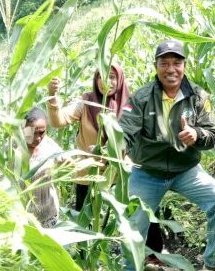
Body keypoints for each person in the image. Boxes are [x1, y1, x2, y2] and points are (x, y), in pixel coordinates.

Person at [119, 40, 215, 271]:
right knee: (132, 225)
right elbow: (125, 131)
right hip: (148, 172)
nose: (171, 69)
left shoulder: (198, 96)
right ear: (156, 66)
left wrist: (196, 134)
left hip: (186, 170)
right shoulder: (140, 98)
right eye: (165, 63)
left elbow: (212, 135)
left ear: (184, 65)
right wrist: (119, 148)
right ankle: (130, 267)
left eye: (176, 63)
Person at [47, 65, 164, 254]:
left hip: (121, 171)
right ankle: (87, 257)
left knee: (141, 208)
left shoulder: (131, 104)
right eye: (100, 77)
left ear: (120, 80)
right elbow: (58, 121)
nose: (105, 82)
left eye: (111, 77)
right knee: (85, 217)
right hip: (89, 170)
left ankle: (151, 253)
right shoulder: (85, 102)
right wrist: (53, 97)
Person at [24, 107, 66, 228]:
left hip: (48, 216)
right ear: (23, 128)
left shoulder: (50, 146)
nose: (37, 138)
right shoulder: (13, 148)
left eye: (41, 133)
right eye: (31, 132)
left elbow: (70, 163)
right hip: (22, 217)